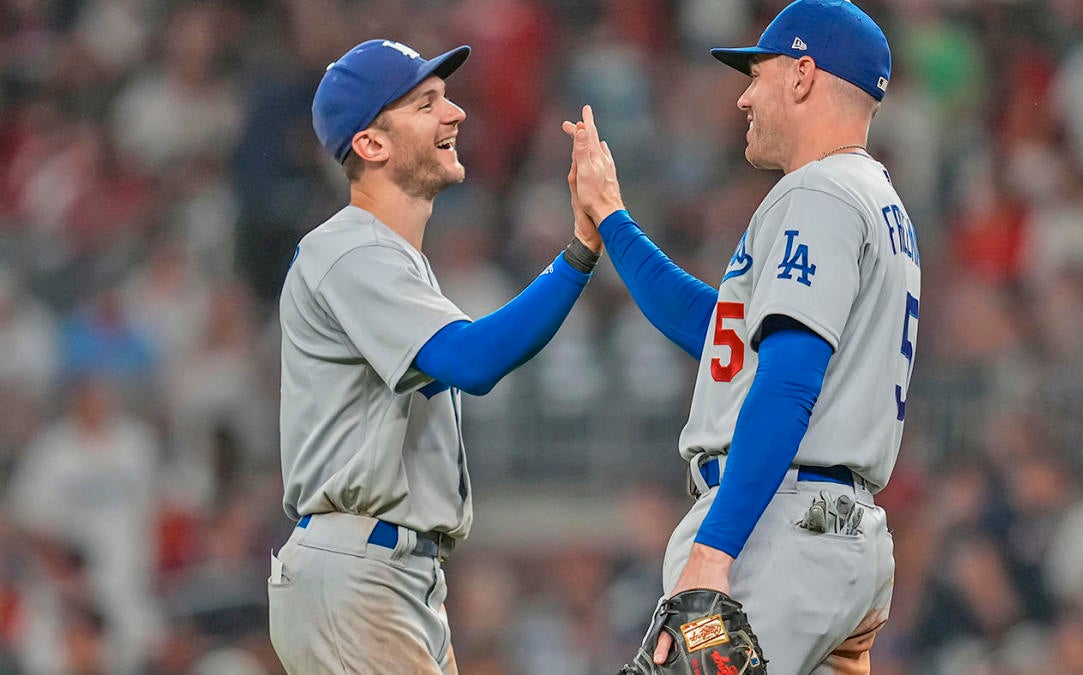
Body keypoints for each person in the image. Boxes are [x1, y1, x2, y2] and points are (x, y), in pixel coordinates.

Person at [566, 1, 919, 671]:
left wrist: (714, 549)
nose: (743, 96)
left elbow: (788, 381)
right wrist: (612, 219)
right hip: (838, 534)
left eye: (758, 74)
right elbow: (725, 337)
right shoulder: (875, 199)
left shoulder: (817, 193)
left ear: (804, 75)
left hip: (777, 531)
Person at [268, 39, 601, 674]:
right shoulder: (348, 251)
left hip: (388, 575)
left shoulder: (389, 258)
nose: (456, 115)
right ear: (371, 144)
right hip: (359, 574)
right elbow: (474, 361)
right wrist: (581, 250)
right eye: (427, 104)